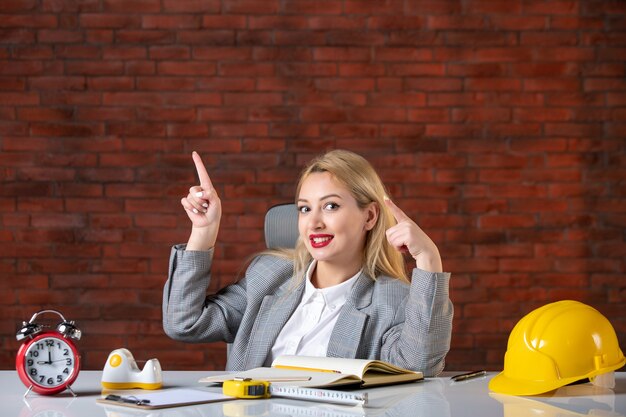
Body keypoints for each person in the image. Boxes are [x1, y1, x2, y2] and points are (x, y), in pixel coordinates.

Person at [163, 149, 453, 376]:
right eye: (304, 208)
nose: (313, 223)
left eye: (331, 206)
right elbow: (185, 323)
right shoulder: (271, 276)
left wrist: (428, 260)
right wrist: (203, 232)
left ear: (370, 216)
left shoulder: (393, 300)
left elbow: (420, 367)